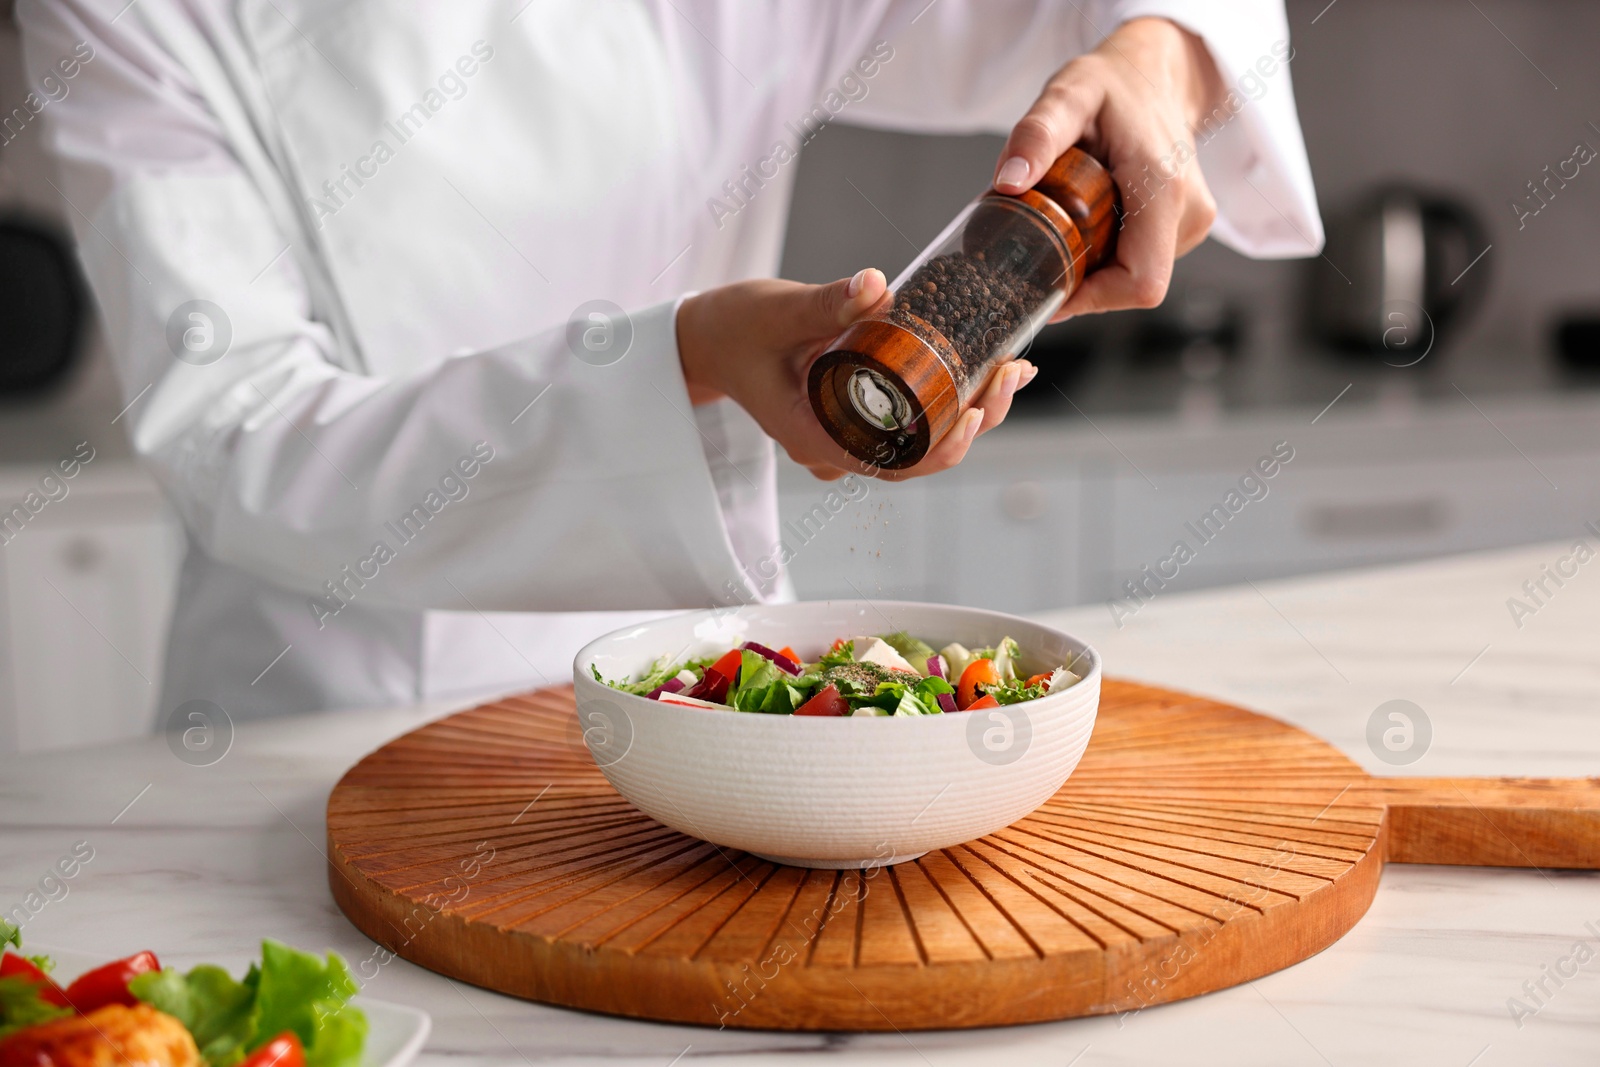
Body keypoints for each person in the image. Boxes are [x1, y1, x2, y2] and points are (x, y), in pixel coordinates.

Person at [17, 1, 1320, 720]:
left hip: (700, 709)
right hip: (321, 722)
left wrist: (1155, 53)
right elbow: (239, 438)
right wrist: (686, 363)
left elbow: (1123, 17)